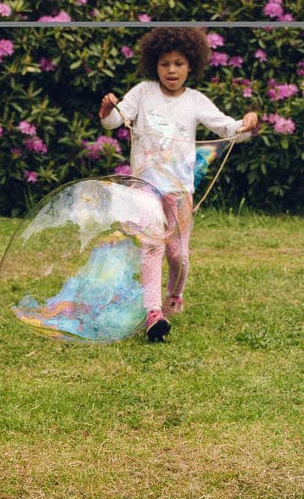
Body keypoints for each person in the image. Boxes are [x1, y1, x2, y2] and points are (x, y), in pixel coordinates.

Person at [98, 27, 257, 342]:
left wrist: (249, 122)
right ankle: (153, 313)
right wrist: (106, 109)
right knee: (153, 244)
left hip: (179, 189)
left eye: (179, 64)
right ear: (154, 65)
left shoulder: (195, 101)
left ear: (191, 66)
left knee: (178, 254)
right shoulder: (143, 93)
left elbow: (229, 128)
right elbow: (115, 121)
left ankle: (175, 294)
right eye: (165, 63)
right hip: (144, 185)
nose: (171, 70)